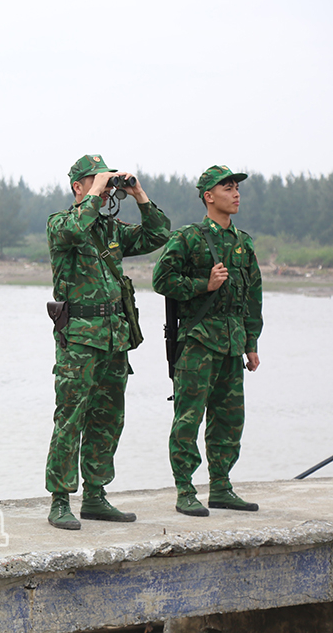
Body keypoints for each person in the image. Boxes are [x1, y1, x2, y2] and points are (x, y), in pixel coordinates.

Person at [44, 154, 170, 530]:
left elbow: (157, 235)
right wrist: (94, 195)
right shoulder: (62, 223)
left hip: (114, 336)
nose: (105, 188)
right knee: (70, 417)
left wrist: (139, 194)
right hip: (79, 337)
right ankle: (60, 500)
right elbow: (72, 232)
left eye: (106, 182)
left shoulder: (111, 231)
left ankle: (96, 495)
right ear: (78, 187)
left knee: (108, 417)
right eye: (96, 181)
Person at [152, 165, 263, 517]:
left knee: (230, 418)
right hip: (198, 341)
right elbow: (162, 280)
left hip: (232, 343)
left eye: (236, 187)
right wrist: (204, 284)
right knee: (188, 417)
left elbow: (253, 296)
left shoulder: (243, 242)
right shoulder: (190, 237)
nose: (235, 193)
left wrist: (252, 342)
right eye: (227, 187)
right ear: (208, 196)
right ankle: (185, 490)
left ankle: (221, 486)